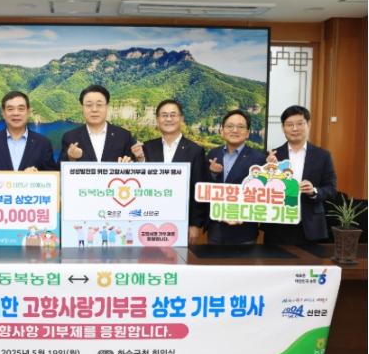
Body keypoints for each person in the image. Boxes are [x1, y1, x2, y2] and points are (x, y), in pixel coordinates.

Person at [133, 99, 206, 244]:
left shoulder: (195, 150)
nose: (168, 119)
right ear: (157, 119)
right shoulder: (146, 147)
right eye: (164, 115)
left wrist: (195, 224)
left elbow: (197, 188)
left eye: (173, 115)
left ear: (181, 119)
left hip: (181, 219)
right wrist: (139, 159)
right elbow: (140, 183)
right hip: (149, 217)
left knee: (177, 256)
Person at [263, 105, 337, 244]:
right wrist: (267, 169)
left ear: (308, 124)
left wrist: (314, 191)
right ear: (283, 128)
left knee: (309, 259)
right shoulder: (272, 155)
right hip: (277, 224)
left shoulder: (323, 156)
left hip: (309, 225)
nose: (295, 128)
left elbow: (331, 189)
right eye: (289, 124)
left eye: (299, 123)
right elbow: (261, 189)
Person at [206, 109, 265, 245]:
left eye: (240, 127)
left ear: (247, 133)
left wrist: (243, 215)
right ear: (222, 130)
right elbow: (204, 186)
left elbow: (262, 195)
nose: (234, 130)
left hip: (243, 230)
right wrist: (213, 174)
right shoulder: (213, 154)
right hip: (216, 228)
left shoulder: (259, 159)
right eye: (230, 126)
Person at [0, 91, 57, 171]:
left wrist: (37, 175)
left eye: (21, 109)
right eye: (10, 109)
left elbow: (53, 176)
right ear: (3, 113)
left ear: (28, 112)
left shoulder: (43, 143)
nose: (16, 113)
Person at [59, 85, 138, 163]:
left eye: (99, 105)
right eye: (89, 105)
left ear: (107, 106)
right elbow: (58, 168)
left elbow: (134, 164)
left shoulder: (124, 136)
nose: (94, 109)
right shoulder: (70, 137)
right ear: (82, 107)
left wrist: (131, 163)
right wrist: (71, 158)